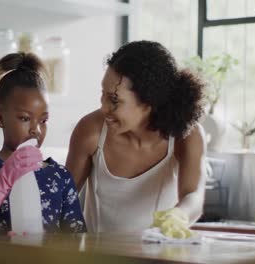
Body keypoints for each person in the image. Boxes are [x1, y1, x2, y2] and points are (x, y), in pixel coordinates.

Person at [66, 40, 207, 236]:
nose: (104, 108)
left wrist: (179, 215)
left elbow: (193, 196)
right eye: (103, 95)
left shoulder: (186, 136)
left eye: (114, 100)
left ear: (149, 102)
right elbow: (63, 200)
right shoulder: (91, 131)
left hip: (159, 257)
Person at [0, 52, 86, 237]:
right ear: (0, 118)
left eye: (43, 121)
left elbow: (78, 241)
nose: (36, 130)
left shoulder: (59, 176)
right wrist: (3, 180)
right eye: (25, 118)